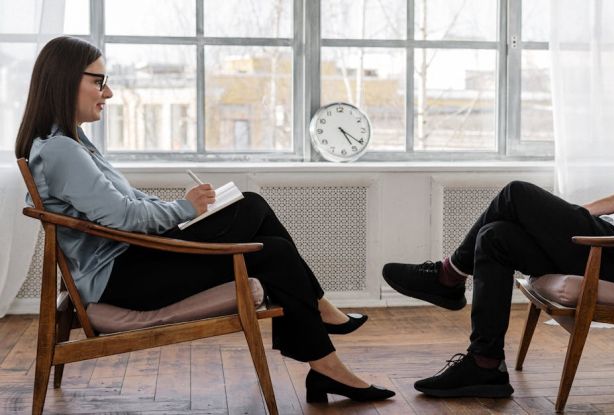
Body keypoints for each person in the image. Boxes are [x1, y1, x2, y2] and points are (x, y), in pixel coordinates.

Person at [15, 36, 394, 403]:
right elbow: (124, 217)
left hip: (129, 264)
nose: (108, 93)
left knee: (267, 236)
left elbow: (124, 202)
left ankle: (325, 362)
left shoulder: (72, 143)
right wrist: (185, 210)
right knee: (253, 211)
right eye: (99, 82)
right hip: (122, 279)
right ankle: (321, 322)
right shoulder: (63, 150)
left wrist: (187, 208)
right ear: (66, 80)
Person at [382, 69, 614, 398]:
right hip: (610, 240)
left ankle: (448, 276)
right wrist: (576, 213)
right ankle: (485, 364)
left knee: (516, 193)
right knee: (495, 235)